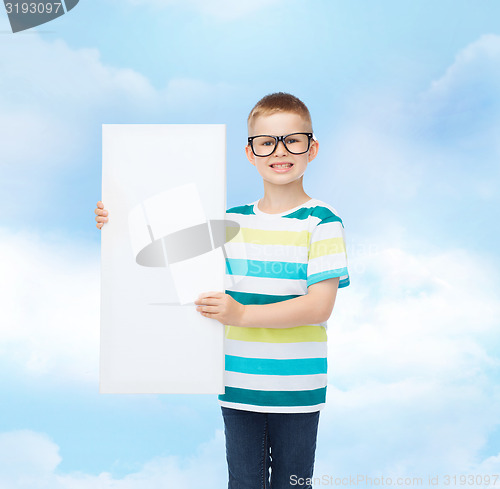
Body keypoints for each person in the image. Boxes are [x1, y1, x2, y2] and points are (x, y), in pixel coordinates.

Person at [94, 92, 350, 489]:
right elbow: (166, 256)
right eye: (266, 142)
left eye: (292, 140)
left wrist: (243, 315)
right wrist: (116, 221)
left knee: (294, 484)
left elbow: (319, 306)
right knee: (243, 483)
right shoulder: (229, 220)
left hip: (297, 388)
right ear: (250, 153)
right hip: (236, 385)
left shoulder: (321, 222)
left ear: (311, 148)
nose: (279, 151)